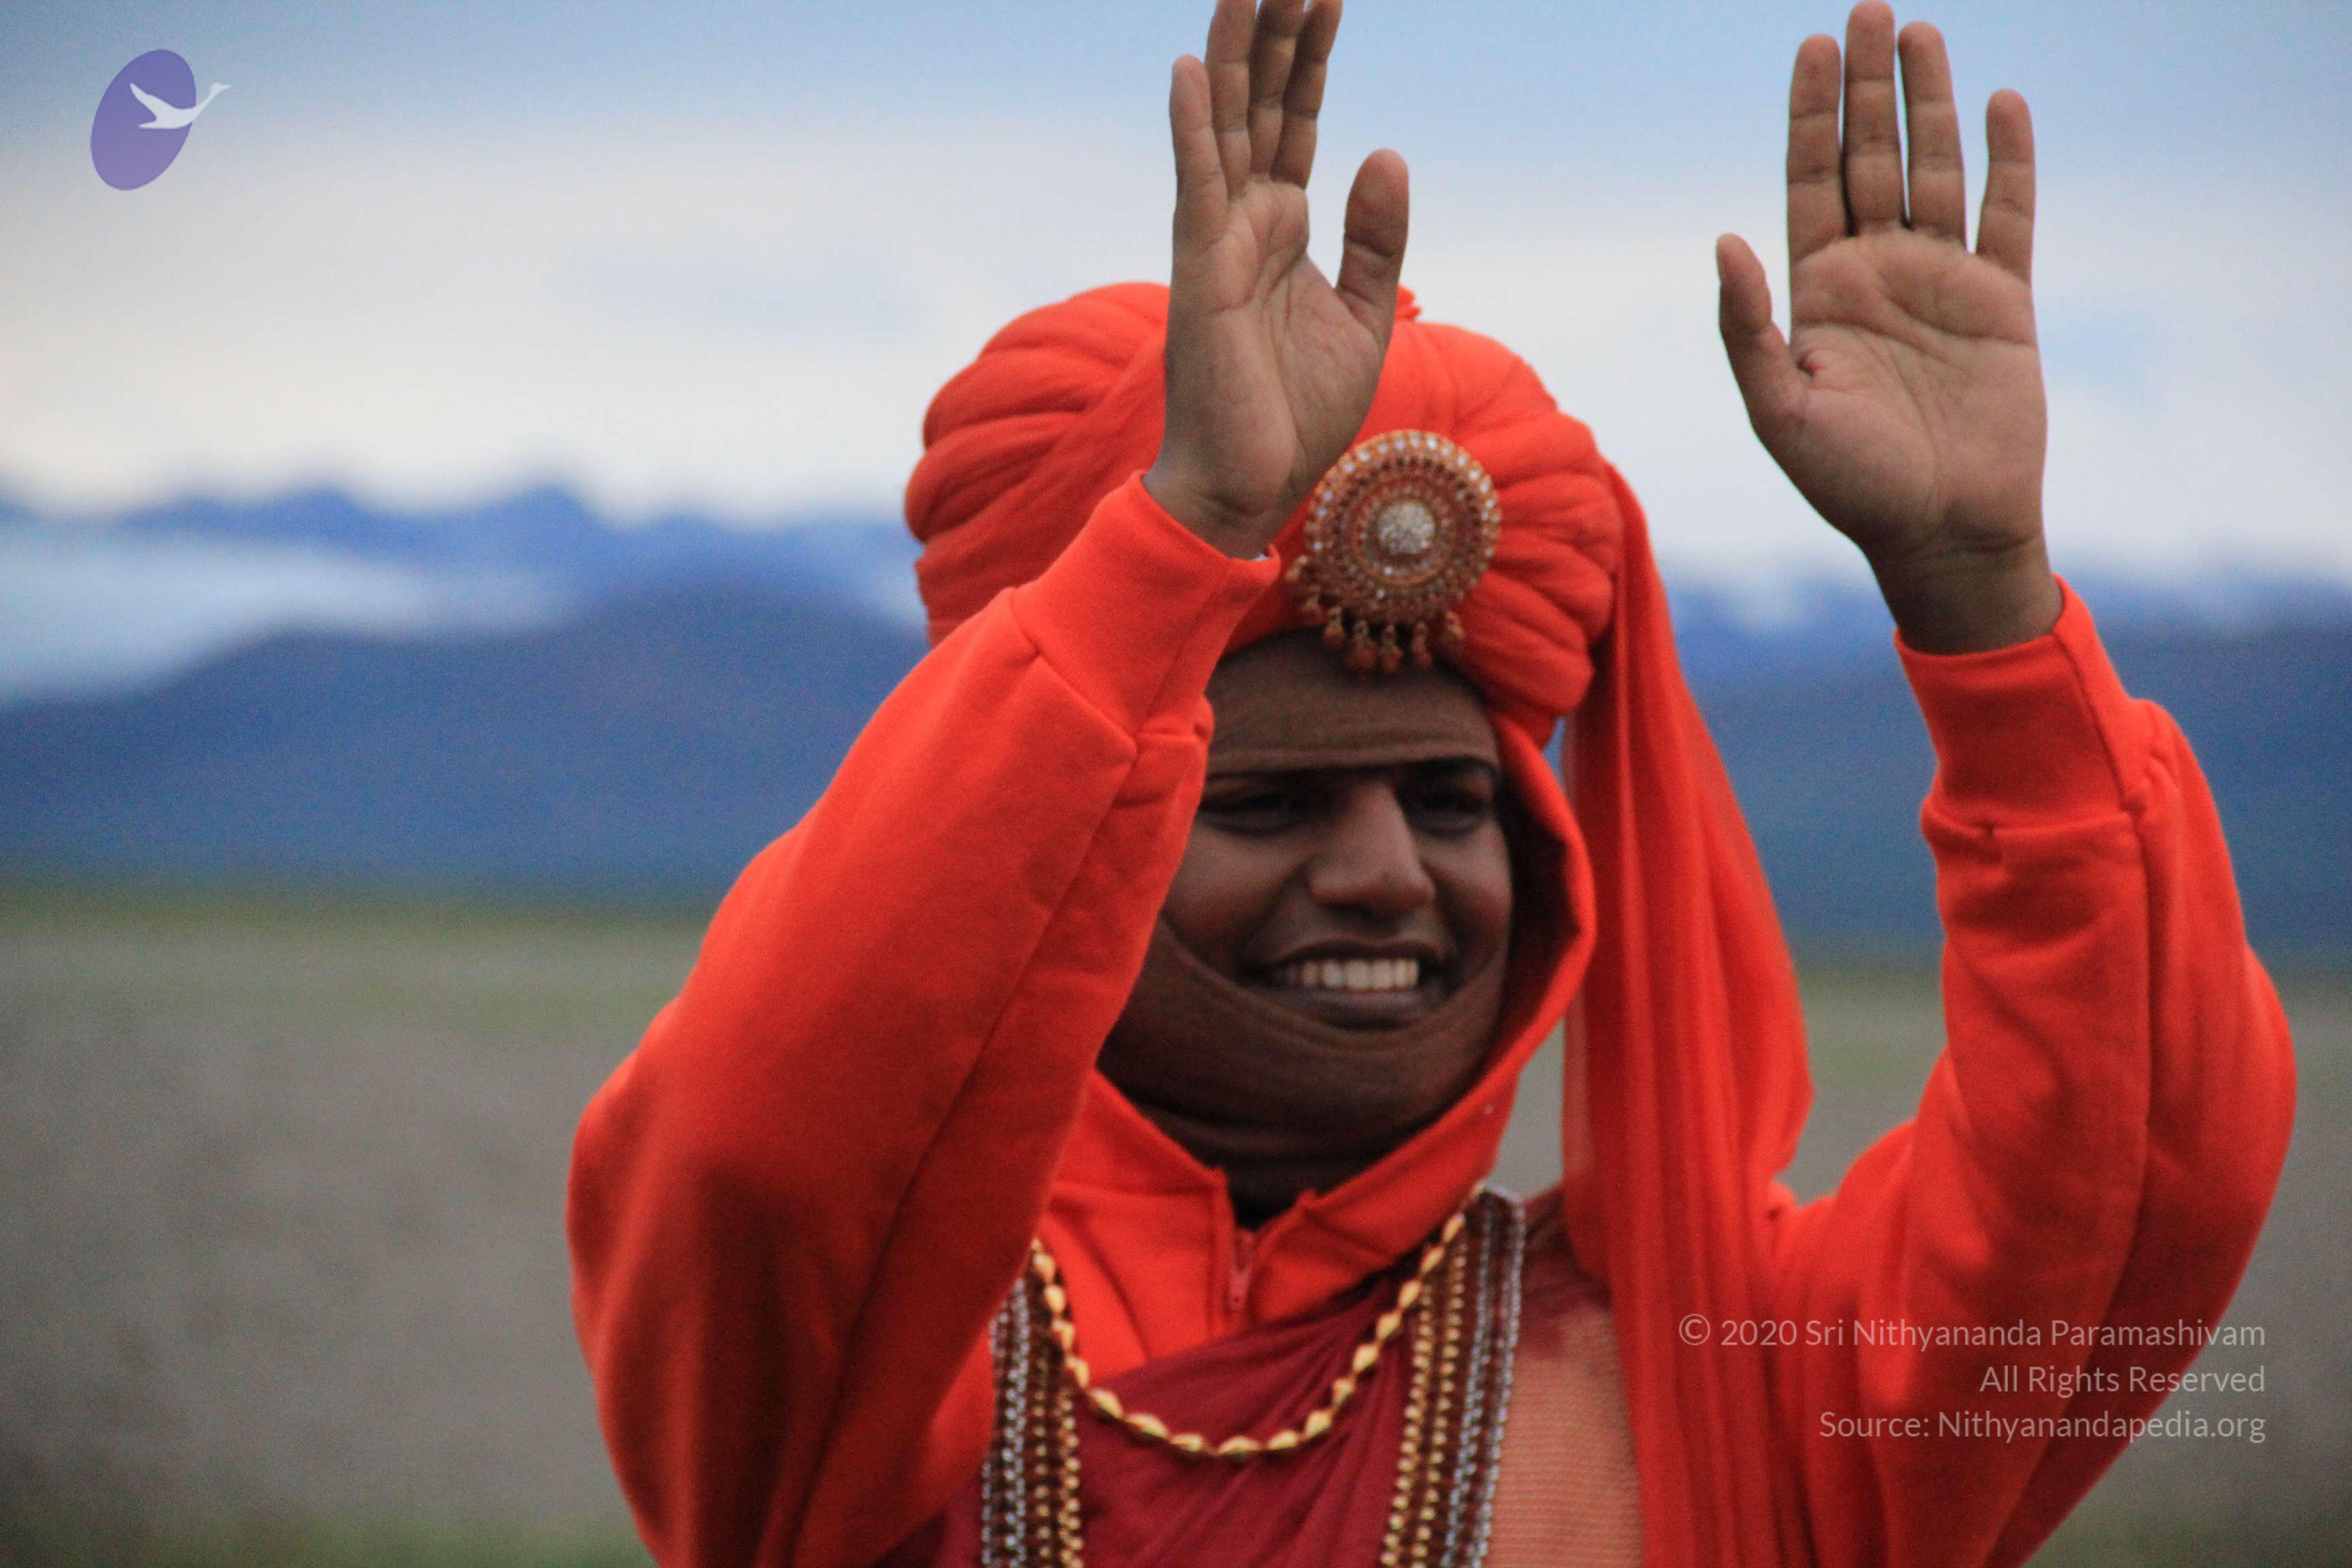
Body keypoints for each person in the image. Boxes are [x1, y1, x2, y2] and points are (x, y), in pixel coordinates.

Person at [565, 2, 2296, 1564]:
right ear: (1072, 857)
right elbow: (762, 1141)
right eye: (1265, 807)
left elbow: (2140, 1189)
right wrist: (1176, 541)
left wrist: (1988, 609)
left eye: (1455, 804)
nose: (1390, 871)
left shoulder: (1740, 1380)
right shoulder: (850, 1371)